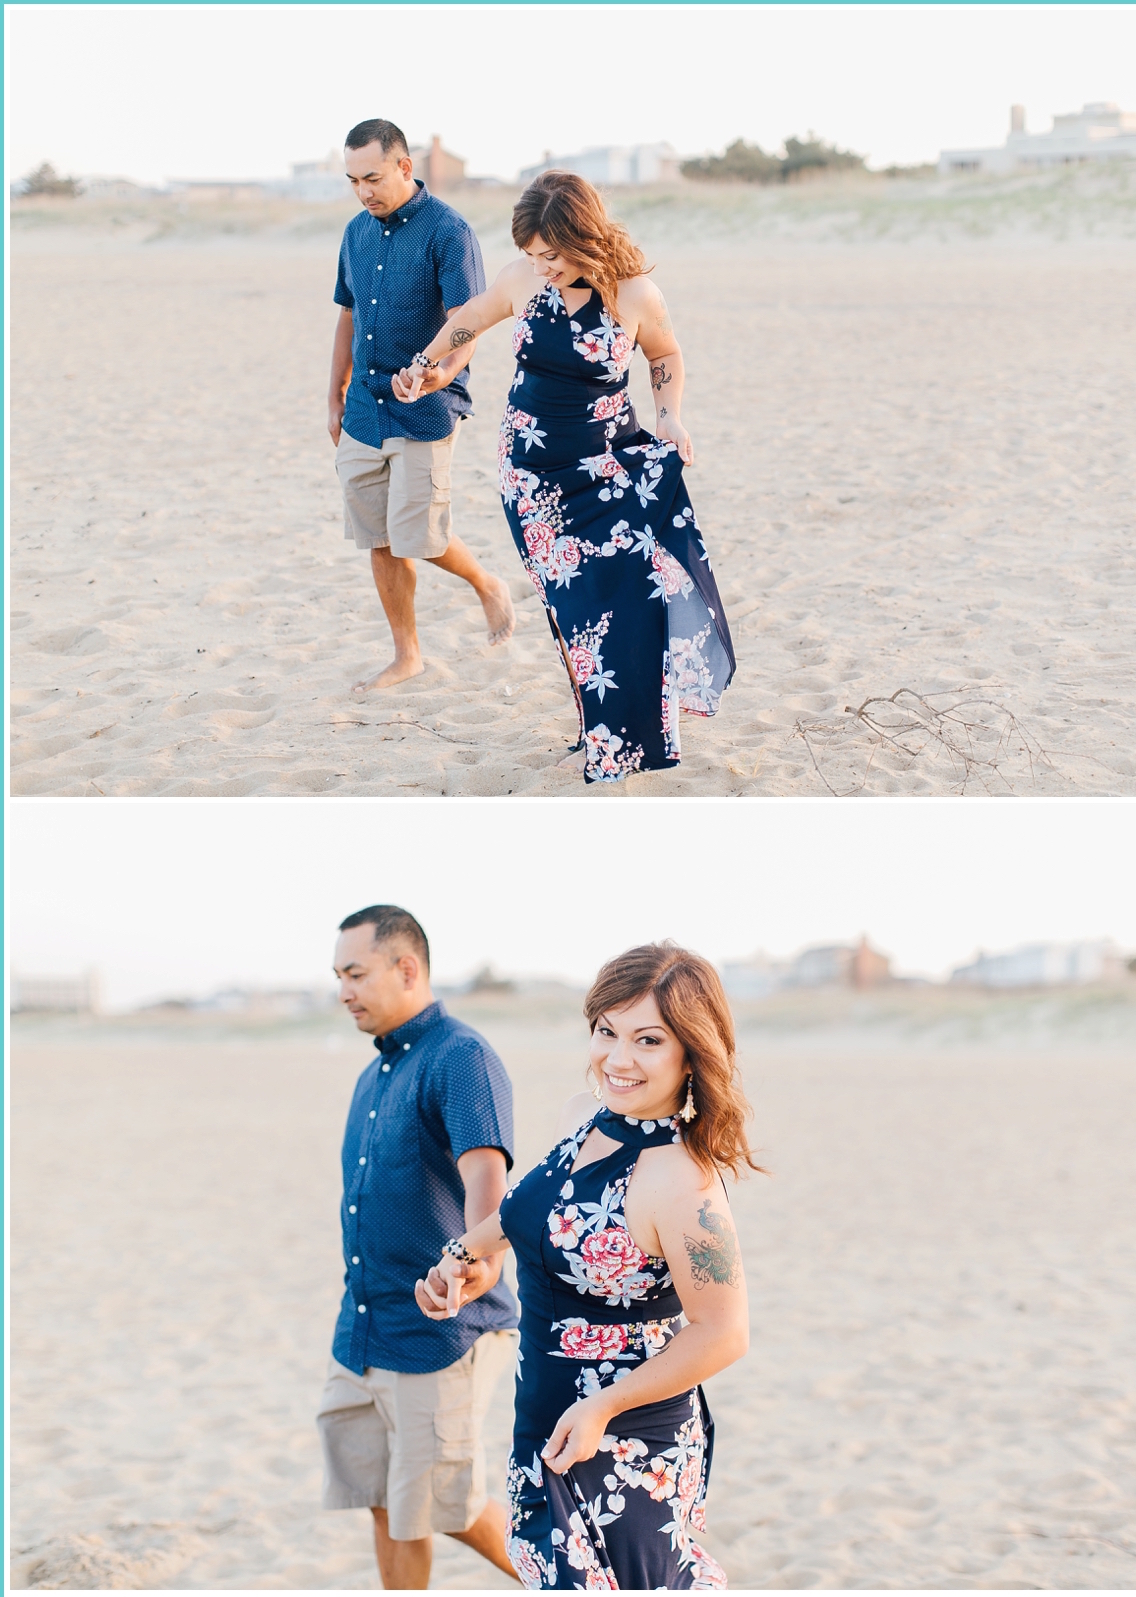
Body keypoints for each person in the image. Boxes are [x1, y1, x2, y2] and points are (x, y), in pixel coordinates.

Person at [415, 943, 760, 1590]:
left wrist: (603, 1406)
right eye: (607, 1030)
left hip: (627, 1432)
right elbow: (535, 1213)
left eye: (649, 1039)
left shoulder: (683, 1182)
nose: (618, 1058)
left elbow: (724, 1332)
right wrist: (461, 1254)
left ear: (692, 1050)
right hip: (546, 1412)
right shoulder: (585, 1116)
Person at [395, 172, 735, 783]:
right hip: (533, 479)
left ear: (586, 237)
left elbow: (664, 355)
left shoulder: (635, 295)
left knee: (630, 600)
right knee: (574, 612)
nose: (540, 266)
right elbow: (469, 318)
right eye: (531, 254)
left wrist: (670, 418)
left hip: (609, 469)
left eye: (550, 254)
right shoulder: (521, 280)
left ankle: (634, 740)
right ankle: (597, 731)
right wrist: (425, 366)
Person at [316, 904, 520, 1590]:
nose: (343, 989)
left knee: (446, 1505)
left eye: (355, 972)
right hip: (365, 1329)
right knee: (385, 1499)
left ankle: (575, 1580)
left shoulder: (460, 1056)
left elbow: (485, 1180)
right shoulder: (373, 1076)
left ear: (407, 967)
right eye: (338, 975)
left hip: (441, 1330)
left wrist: (477, 1261)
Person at [328, 120, 516, 696]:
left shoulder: (448, 231)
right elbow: (347, 315)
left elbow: (468, 321)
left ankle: (486, 582)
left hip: (424, 408)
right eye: (354, 180)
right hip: (363, 408)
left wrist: (443, 373)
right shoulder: (355, 233)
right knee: (378, 539)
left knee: (420, 537)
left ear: (406, 167)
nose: (364, 191)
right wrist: (332, 395)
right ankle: (407, 656)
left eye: (374, 178)